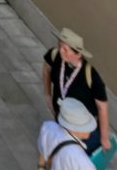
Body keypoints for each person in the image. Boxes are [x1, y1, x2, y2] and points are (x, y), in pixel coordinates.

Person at [42, 27, 110, 156]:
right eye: (60, 46)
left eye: (65, 50)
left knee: (79, 160)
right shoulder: (54, 55)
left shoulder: (91, 76)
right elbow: (46, 69)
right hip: (63, 119)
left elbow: (102, 107)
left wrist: (104, 138)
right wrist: (47, 95)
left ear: (78, 54)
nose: (61, 52)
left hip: (84, 129)